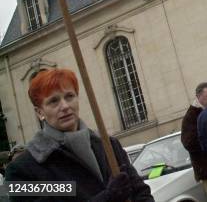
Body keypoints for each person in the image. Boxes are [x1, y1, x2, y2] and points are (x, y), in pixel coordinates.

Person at [4, 68, 153, 201]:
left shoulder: (109, 146)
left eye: (69, 96)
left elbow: (141, 192)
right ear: (39, 112)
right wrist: (107, 198)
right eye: (53, 101)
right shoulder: (22, 169)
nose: (65, 106)